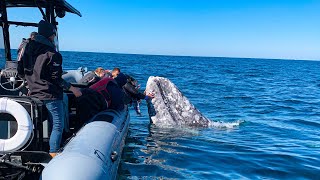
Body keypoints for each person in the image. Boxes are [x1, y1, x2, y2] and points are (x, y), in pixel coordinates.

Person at [17, 20, 82, 158]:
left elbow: (21, 71)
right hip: (50, 95)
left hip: (33, 93)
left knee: (35, 123)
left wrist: (31, 85)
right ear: (51, 35)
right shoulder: (53, 54)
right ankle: (53, 153)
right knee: (57, 124)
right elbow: (56, 78)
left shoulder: (27, 50)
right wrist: (73, 89)